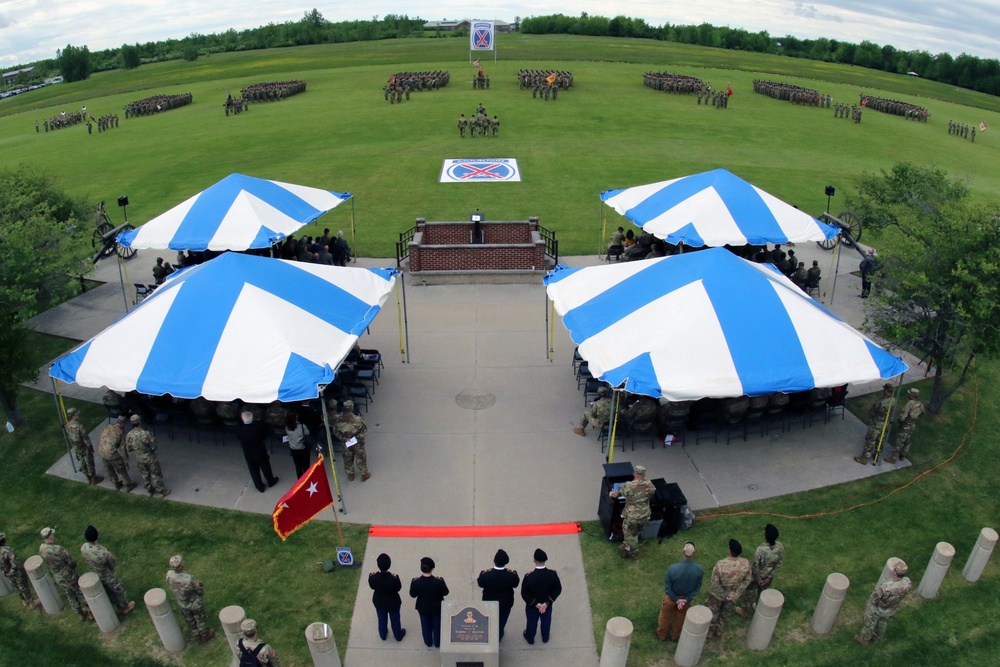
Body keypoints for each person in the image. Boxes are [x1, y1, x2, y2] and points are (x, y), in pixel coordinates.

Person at [80, 525, 135, 615]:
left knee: (109, 591)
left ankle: (116, 605)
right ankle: (125, 607)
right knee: (118, 589)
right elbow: (112, 564)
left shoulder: (84, 548)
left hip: (97, 573)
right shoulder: (103, 552)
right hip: (108, 574)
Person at [39, 527, 91, 621]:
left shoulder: (41, 549)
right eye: (52, 534)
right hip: (69, 575)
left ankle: (80, 613)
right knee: (81, 593)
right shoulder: (59, 549)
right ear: (50, 536)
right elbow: (71, 562)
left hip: (58, 577)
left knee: (70, 595)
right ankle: (90, 612)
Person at [656, 541, 703, 642]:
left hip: (671, 597)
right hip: (686, 599)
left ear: (683, 552)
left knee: (665, 616)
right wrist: (685, 600)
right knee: (680, 617)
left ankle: (661, 635)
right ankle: (675, 636)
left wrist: (677, 600)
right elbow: (697, 588)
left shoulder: (672, 568)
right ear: (694, 554)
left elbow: (668, 587)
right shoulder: (699, 570)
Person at [856, 560, 911, 645]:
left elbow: (875, 597)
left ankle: (864, 639)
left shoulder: (886, 586)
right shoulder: (907, 583)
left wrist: (871, 606)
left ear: (894, 572)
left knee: (870, 622)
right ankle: (877, 637)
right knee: (883, 622)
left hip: (879, 608)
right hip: (891, 609)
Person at [705, 539, 751, 639]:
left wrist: (724, 593)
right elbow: (747, 580)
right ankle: (719, 630)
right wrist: (734, 594)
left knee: (713, 612)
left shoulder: (720, 565)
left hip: (718, 594)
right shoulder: (745, 564)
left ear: (729, 550)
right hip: (732, 595)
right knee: (725, 613)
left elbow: (715, 583)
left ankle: (710, 632)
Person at [609, 464, 656, 559]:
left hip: (632, 517)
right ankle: (627, 545)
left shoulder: (628, 485)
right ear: (644, 475)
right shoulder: (649, 484)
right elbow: (651, 493)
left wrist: (612, 494)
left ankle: (633, 553)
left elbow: (616, 494)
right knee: (636, 532)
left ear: (634, 474)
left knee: (630, 534)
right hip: (645, 515)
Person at [166, 555, 215, 643]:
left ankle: (196, 635)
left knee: (190, 619)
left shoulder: (169, 574)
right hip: (194, 603)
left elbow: (169, 585)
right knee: (200, 619)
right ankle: (205, 635)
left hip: (182, 602)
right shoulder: (188, 578)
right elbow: (199, 588)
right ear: (181, 566)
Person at [737, 524, 783, 616]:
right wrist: (769, 577)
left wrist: (758, 579)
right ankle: (758, 606)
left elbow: (755, 566)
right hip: (768, 576)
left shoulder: (760, 550)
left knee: (749, 591)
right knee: (762, 591)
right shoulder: (780, 547)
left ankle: (744, 610)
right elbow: (778, 563)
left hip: (756, 577)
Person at [521, 548, 562, 645]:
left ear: (534, 561)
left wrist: (535, 604)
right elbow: (557, 589)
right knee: (546, 622)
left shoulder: (529, 576)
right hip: (546, 606)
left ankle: (530, 638)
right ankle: (545, 638)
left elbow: (524, 593)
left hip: (532, 606)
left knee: (531, 622)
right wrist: (547, 603)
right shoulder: (552, 574)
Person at [477, 548, 520, 640]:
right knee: (502, 620)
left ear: (494, 560)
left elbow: (480, 584)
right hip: (506, 603)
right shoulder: (512, 575)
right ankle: (499, 635)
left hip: (489, 602)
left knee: (489, 619)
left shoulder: (485, 574)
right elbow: (516, 584)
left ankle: (490, 634)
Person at [125, 415, 170, 497]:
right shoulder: (146, 434)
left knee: (145, 475)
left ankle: (149, 490)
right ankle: (160, 491)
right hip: (150, 458)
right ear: (139, 422)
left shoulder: (129, 435)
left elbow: (128, 448)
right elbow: (154, 447)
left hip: (139, 458)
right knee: (156, 474)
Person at [409, 556, 449, 648]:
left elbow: (413, 595)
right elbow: (446, 592)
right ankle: (437, 642)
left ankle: (428, 642)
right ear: (432, 568)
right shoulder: (439, 581)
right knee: (437, 625)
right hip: (436, 607)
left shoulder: (416, 582)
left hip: (423, 608)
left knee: (425, 625)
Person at [236, 411, 279, 492]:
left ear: (242, 419)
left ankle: (259, 486)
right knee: (266, 468)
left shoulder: (240, 430)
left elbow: (239, 437)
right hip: (260, 451)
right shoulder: (258, 428)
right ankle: (270, 481)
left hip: (248, 453)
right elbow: (265, 435)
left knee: (253, 470)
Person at [369, 553, 406, 641]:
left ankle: (383, 635)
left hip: (379, 601)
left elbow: (372, 586)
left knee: (381, 618)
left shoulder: (373, 577)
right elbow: (398, 588)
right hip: (392, 602)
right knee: (395, 619)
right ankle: (398, 635)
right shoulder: (394, 578)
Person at [855, 383, 894, 465]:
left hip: (876, 424)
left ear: (887, 391)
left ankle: (864, 458)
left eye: (884, 390)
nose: (883, 391)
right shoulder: (893, 401)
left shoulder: (881, 403)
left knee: (870, 440)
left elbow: (873, 412)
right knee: (880, 441)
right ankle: (877, 455)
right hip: (885, 425)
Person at [64, 407, 104, 486]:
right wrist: (90, 448)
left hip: (77, 447)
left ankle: (88, 478)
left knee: (82, 463)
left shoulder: (67, 426)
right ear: (73, 415)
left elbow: (69, 438)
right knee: (89, 463)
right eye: (76, 414)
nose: (78, 415)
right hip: (84, 447)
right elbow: (86, 438)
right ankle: (93, 478)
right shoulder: (79, 426)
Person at [0, 532, 40, 609]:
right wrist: (12, 572)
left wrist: (6, 573)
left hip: (6, 572)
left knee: (15, 586)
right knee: (23, 586)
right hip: (16, 572)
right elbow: (15, 564)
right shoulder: (7, 551)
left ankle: (24, 601)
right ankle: (32, 603)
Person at [98, 416, 137, 493]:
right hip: (111, 454)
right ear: (123, 424)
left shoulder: (107, 427)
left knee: (109, 469)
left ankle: (116, 483)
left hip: (102, 451)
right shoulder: (119, 433)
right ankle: (128, 484)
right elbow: (123, 449)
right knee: (121, 469)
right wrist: (126, 462)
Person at [885, 388, 924, 463]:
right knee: (907, 441)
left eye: (909, 394)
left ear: (912, 395)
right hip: (912, 425)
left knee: (899, 441)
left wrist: (899, 421)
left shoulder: (909, 404)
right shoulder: (920, 404)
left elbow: (903, 417)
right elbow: (922, 413)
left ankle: (893, 458)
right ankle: (903, 455)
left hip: (905, 426)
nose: (908, 395)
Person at [334, 400, 369, 481]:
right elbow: (364, 430)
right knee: (361, 457)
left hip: (346, 441)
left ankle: (350, 474)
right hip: (357, 441)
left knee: (347, 457)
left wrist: (344, 438)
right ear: (352, 408)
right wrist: (357, 438)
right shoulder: (358, 419)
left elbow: (336, 431)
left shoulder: (339, 419)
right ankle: (364, 474)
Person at [284, 410, 311, 479]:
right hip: (302, 448)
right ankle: (306, 478)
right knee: (305, 465)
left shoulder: (287, 426)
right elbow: (307, 433)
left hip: (293, 448)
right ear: (296, 417)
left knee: (298, 465)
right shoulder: (301, 426)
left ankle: (299, 479)